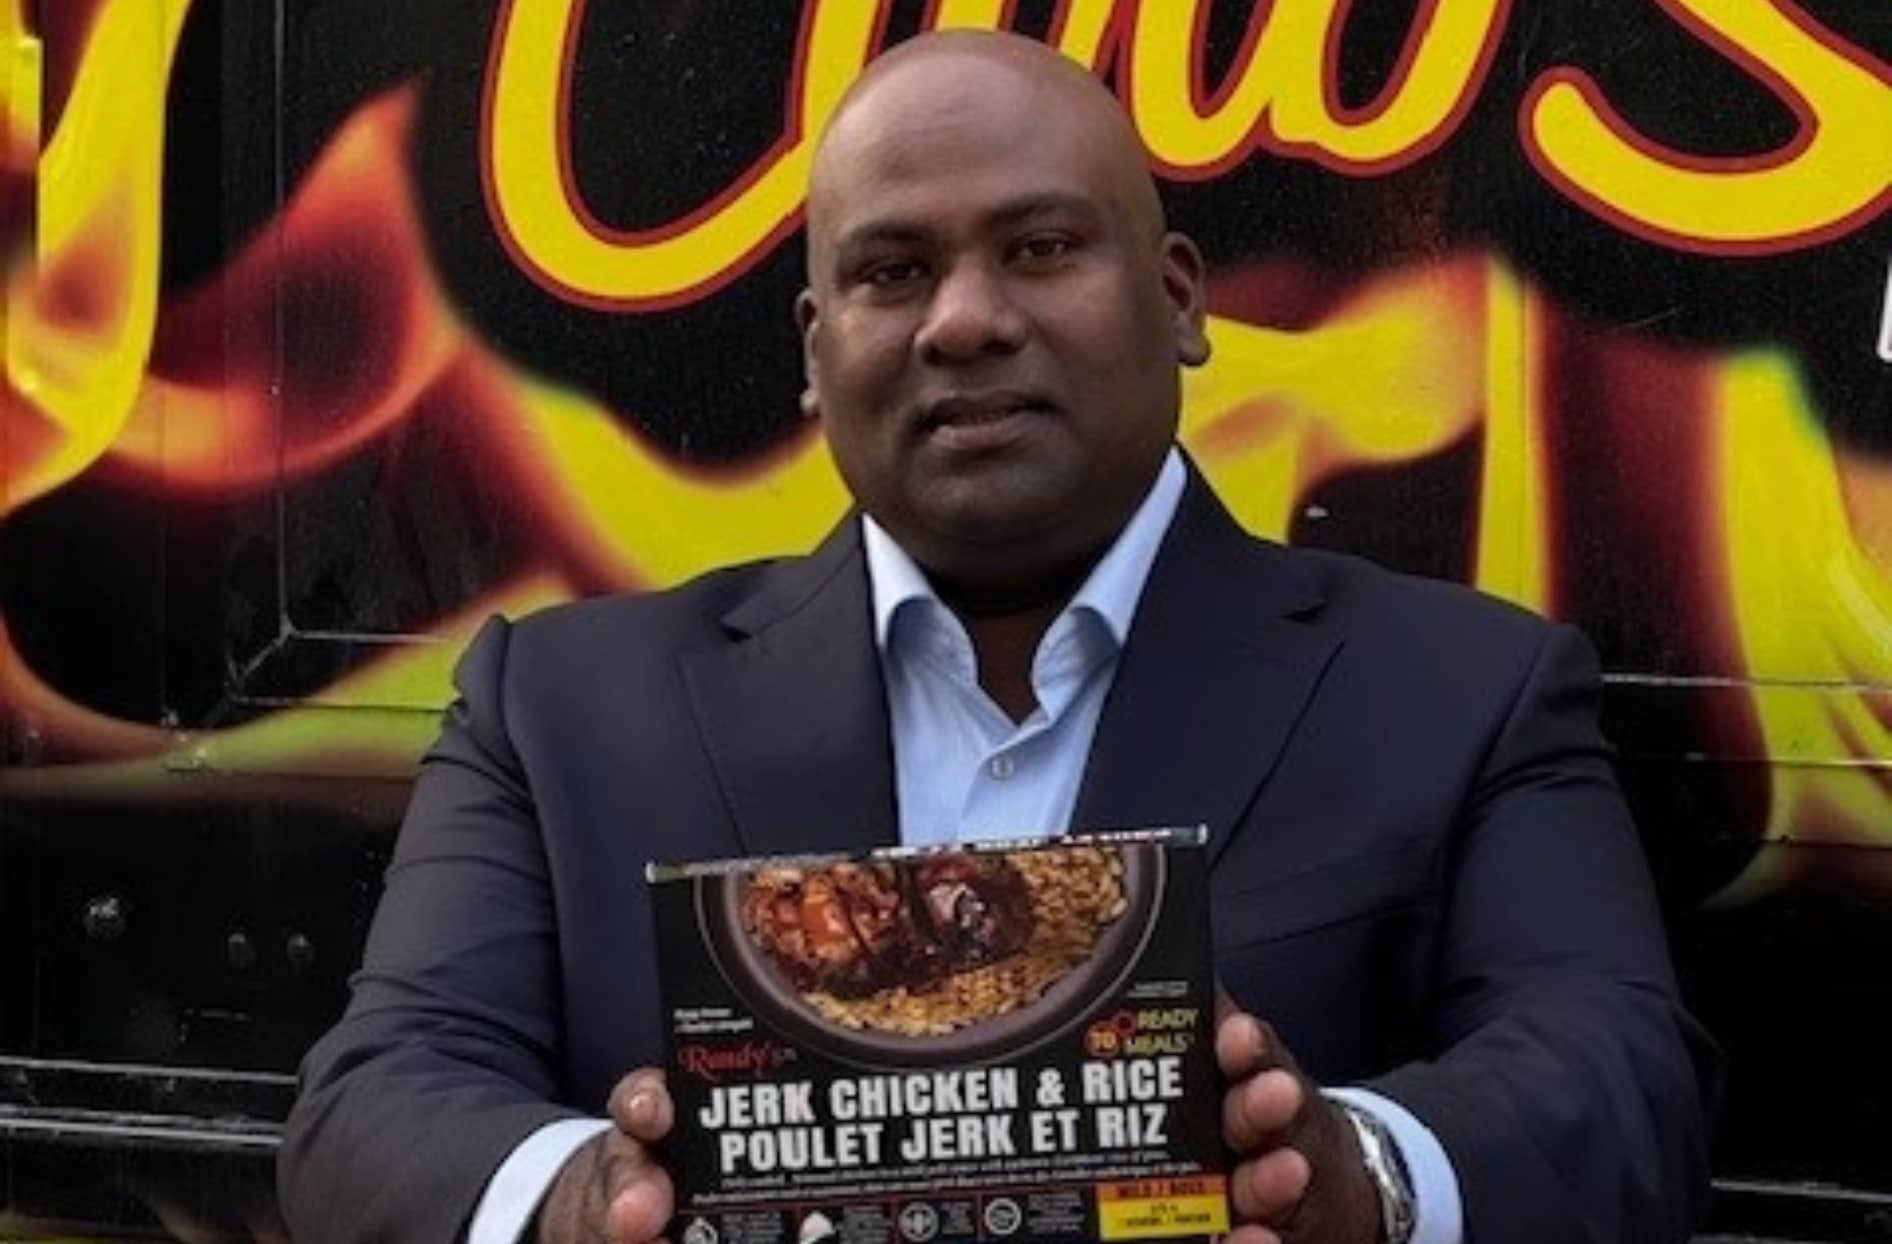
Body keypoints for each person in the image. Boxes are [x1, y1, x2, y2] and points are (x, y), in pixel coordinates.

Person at [278, 29, 1718, 1244]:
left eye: (1038, 248)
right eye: (891, 274)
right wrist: (584, 1198)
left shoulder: (1466, 689)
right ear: (815, 345)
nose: (964, 323)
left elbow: (1623, 1076)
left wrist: (1357, 1178)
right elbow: (374, 1103)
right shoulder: (560, 707)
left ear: (1177, 298)